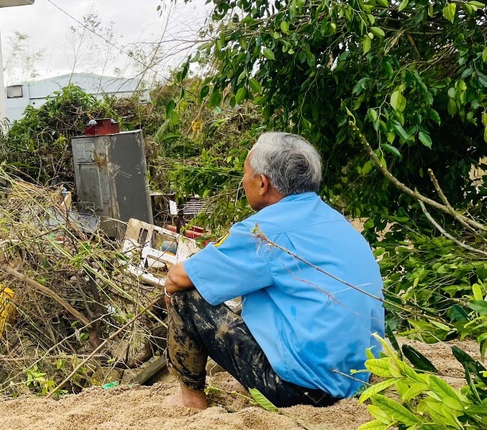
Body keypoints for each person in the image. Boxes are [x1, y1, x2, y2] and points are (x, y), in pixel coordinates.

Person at [163, 132, 384, 410]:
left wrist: (172, 293)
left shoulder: (263, 232)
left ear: (262, 183)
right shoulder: (337, 222)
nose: (243, 183)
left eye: (245, 175)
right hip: (356, 382)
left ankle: (191, 400)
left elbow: (177, 278)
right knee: (268, 294)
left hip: (299, 391)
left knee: (188, 295)